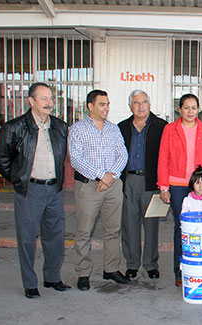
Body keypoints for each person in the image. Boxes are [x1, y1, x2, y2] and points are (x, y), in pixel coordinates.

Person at [0, 82, 70, 298]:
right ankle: (29, 283)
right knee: (27, 239)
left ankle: (52, 278)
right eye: (44, 99)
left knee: (55, 237)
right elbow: (1, 159)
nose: (49, 103)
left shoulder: (60, 127)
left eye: (51, 98)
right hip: (30, 191)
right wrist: (19, 180)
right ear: (31, 101)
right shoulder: (14, 127)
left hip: (54, 190)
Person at [69, 89, 129, 291]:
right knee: (84, 231)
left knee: (113, 230)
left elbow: (122, 154)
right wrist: (100, 175)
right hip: (88, 187)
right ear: (90, 106)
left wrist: (110, 176)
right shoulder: (77, 129)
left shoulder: (113, 129)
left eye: (108, 104)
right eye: (102, 104)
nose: (106, 108)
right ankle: (83, 273)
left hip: (113, 185)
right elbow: (76, 159)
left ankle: (111, 268)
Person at [157, 93, 202, 287]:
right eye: (186, 108)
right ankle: (180, 271)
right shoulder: (169, 129)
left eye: (194, 108)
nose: (190, 112)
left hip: (200, 186)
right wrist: (163, 186)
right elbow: (163, 158)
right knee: (181, 228)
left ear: (198, 109)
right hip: (177, 187)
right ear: (180, 109)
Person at [118, 89, 167, 280]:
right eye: (136, 103)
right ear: (130, 106)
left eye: (144, 102)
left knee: (152, 225)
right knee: (129, 225)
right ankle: (132, 264)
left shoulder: (162, 127)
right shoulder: (121, 127)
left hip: (152, 181)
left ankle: (151, 264)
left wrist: (165, 185)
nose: (140, 106)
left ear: (150, 104)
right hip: (129, 180)